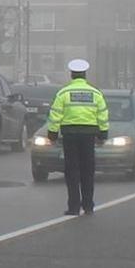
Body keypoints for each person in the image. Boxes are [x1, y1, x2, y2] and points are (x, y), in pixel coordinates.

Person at [47, 59, 109, 216]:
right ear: (85, 74)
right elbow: (102, 114)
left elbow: (55, 115)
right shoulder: (95, 93)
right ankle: (88, 205)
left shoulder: (64, 93)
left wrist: (52, 134)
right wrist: (103, 133)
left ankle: (74, 207)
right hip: (89, 136)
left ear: (72, 75)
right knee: (88, 170)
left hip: (70, 135)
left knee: (72, 170)